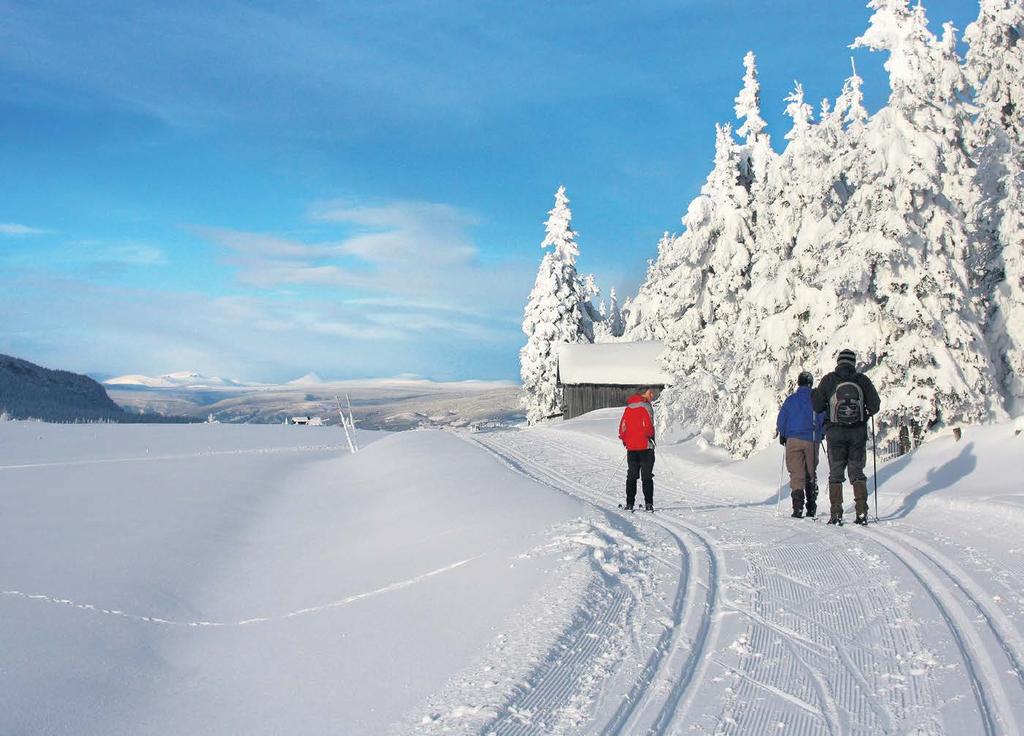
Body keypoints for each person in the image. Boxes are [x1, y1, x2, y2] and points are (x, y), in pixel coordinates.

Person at [812, 349, 881, 526]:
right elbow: (875, 406)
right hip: (857, 433)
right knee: (857, 472)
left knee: (836, 474)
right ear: (853, 363)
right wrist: (864, 413)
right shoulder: (862, 380)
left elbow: (818, 406)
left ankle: (836, 514)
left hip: (835, 434)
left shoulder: (828, 380)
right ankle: (861, 512)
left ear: (838, 362)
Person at [776, 371, 825, 518]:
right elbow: (823, 418)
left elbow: (781, 419)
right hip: (811, 439)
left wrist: (783, 435)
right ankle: (811, 507)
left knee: (796, 474)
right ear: (811, 383)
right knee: (811, 473)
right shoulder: (816, 399)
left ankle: (797, 508)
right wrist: (820, 435)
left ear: (799, 383)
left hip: (793, 440)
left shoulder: (791, 400)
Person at [618, 388, 656, 511]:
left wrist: (626, 440)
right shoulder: (646, 406)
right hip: (646, 446)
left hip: (632, 448)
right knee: (646, 476)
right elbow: (649, 426)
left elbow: (622, 427)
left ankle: (630, 504)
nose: (652, 395)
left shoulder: (628, 408)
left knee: (632, 476)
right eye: (650, 393)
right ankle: (648, 504)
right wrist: (650, 437)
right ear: (644, 393)